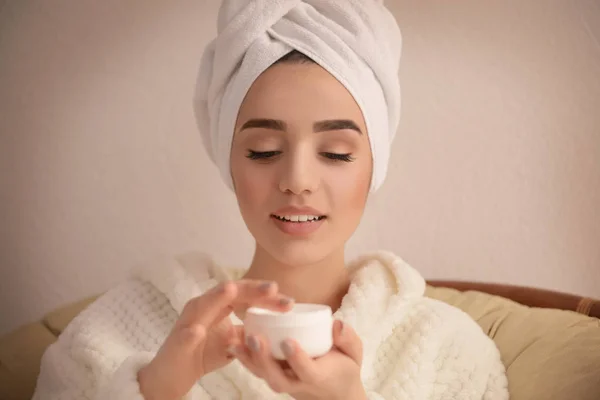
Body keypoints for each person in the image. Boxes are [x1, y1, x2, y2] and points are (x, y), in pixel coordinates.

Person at [32, 1, 509, 399]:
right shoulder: (122, 325)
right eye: (264, 151)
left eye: (336, 153)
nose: (297, 180)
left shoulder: (447, 351)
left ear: (373, 165)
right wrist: (156, 386)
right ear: (229, 161)